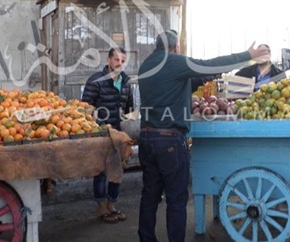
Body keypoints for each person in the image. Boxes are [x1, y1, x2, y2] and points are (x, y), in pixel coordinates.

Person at [137, 30, 269, 242]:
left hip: (147, 139)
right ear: (175, 48)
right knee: (176, 199)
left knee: (150, 195)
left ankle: (146, 238)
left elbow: (177, 86)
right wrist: (247, 54)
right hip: (170, 141)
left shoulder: (146, 65)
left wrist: (201, 79)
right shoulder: (173, 61)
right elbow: (212, 64)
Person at [82, 47, 134, 224]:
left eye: (123, 61)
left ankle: (112, 204)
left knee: (117, 169)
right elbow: (84, 109)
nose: (120, 64)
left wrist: (129, 130)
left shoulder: (127, 82)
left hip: (119, 134)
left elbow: (129, 111)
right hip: (101, 133)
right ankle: (101, 207)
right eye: (117, 60)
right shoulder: (96, 81)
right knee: (101, 170)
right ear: (109, 60)